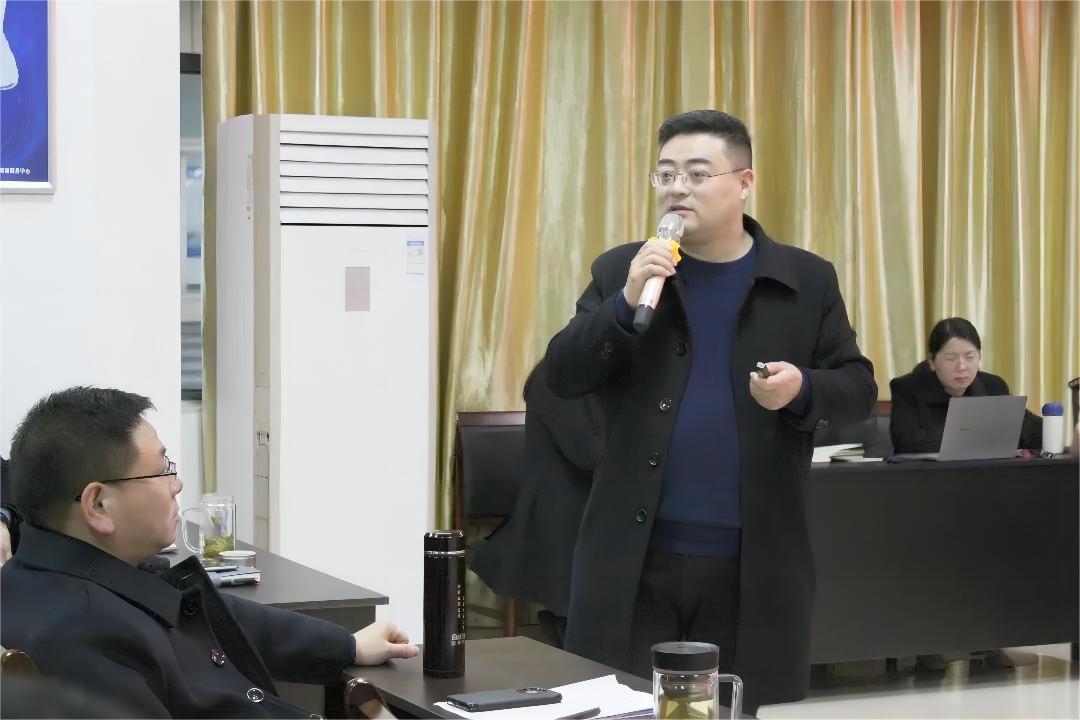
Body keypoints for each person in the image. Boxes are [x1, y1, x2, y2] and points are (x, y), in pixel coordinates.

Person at [544, 109, 877, 709]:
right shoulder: (624, 268)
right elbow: (563, 375)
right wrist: (623, 303)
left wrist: (802, 389)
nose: (678, 188)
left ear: (744, 183)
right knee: (623, 706)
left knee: (729, 708)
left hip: (751, 564)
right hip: (635, 558)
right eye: (666, 174)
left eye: (698, 174)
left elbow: (857, 387)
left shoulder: (804, 280)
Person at [1, 387, 418, 718]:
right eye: (162, 470)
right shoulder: (89, 637)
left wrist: (347, 646)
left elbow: (221, 619)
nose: (177, 484)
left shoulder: (54, 577)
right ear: (98, 505)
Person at [470, 360, 604, 647]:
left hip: (585, 510)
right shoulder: (554, 380)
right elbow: (589, 455)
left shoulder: (589, 378)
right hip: (557, 519)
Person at [889, 317, 1042, 454]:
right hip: (931, 475)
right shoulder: (906, 389)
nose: (962, 366)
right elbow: (908, 444)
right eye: (951, 359)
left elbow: (1030, 432)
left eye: (969, 357)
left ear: (979, 357)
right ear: (932, 362)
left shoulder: (993, 386)